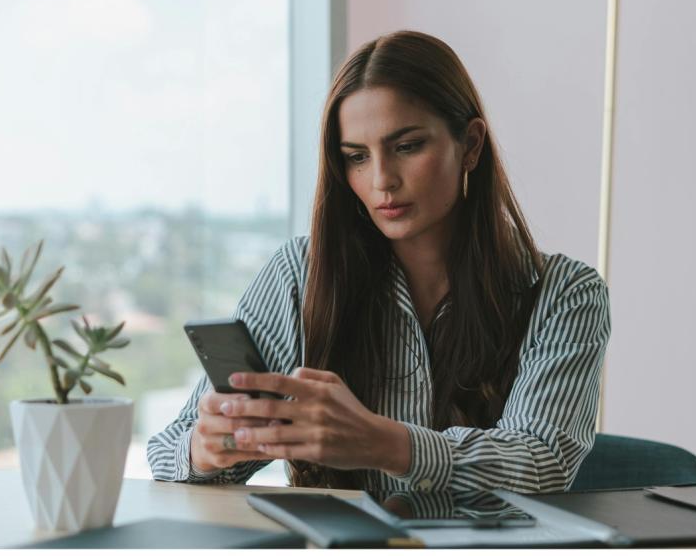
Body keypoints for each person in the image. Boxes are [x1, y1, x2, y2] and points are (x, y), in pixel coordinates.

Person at [147, 30, 611, 494]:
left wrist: (381, 443)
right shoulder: (301, 274)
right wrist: (208, 449)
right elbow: (167, 453)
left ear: (470, 145)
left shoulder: (565, 292)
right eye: (356, 158)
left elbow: (541, 461)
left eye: (407, 146)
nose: (382, 180)